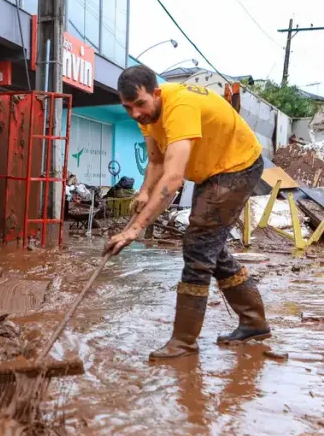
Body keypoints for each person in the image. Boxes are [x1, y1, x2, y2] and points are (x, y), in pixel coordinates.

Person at [105, 65, 269, 359]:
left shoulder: (178, 107)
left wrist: (134, 229)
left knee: (198, 248)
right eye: (127, 107)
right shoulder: (147, 114)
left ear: (156, 93)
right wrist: (144, 192)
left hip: (238, 166)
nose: (135, 114)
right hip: (211, 171)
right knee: (209, 248)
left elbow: (173, 179)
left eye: (139, 104)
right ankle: (254, 322)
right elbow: (156, 162)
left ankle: (183, 342)